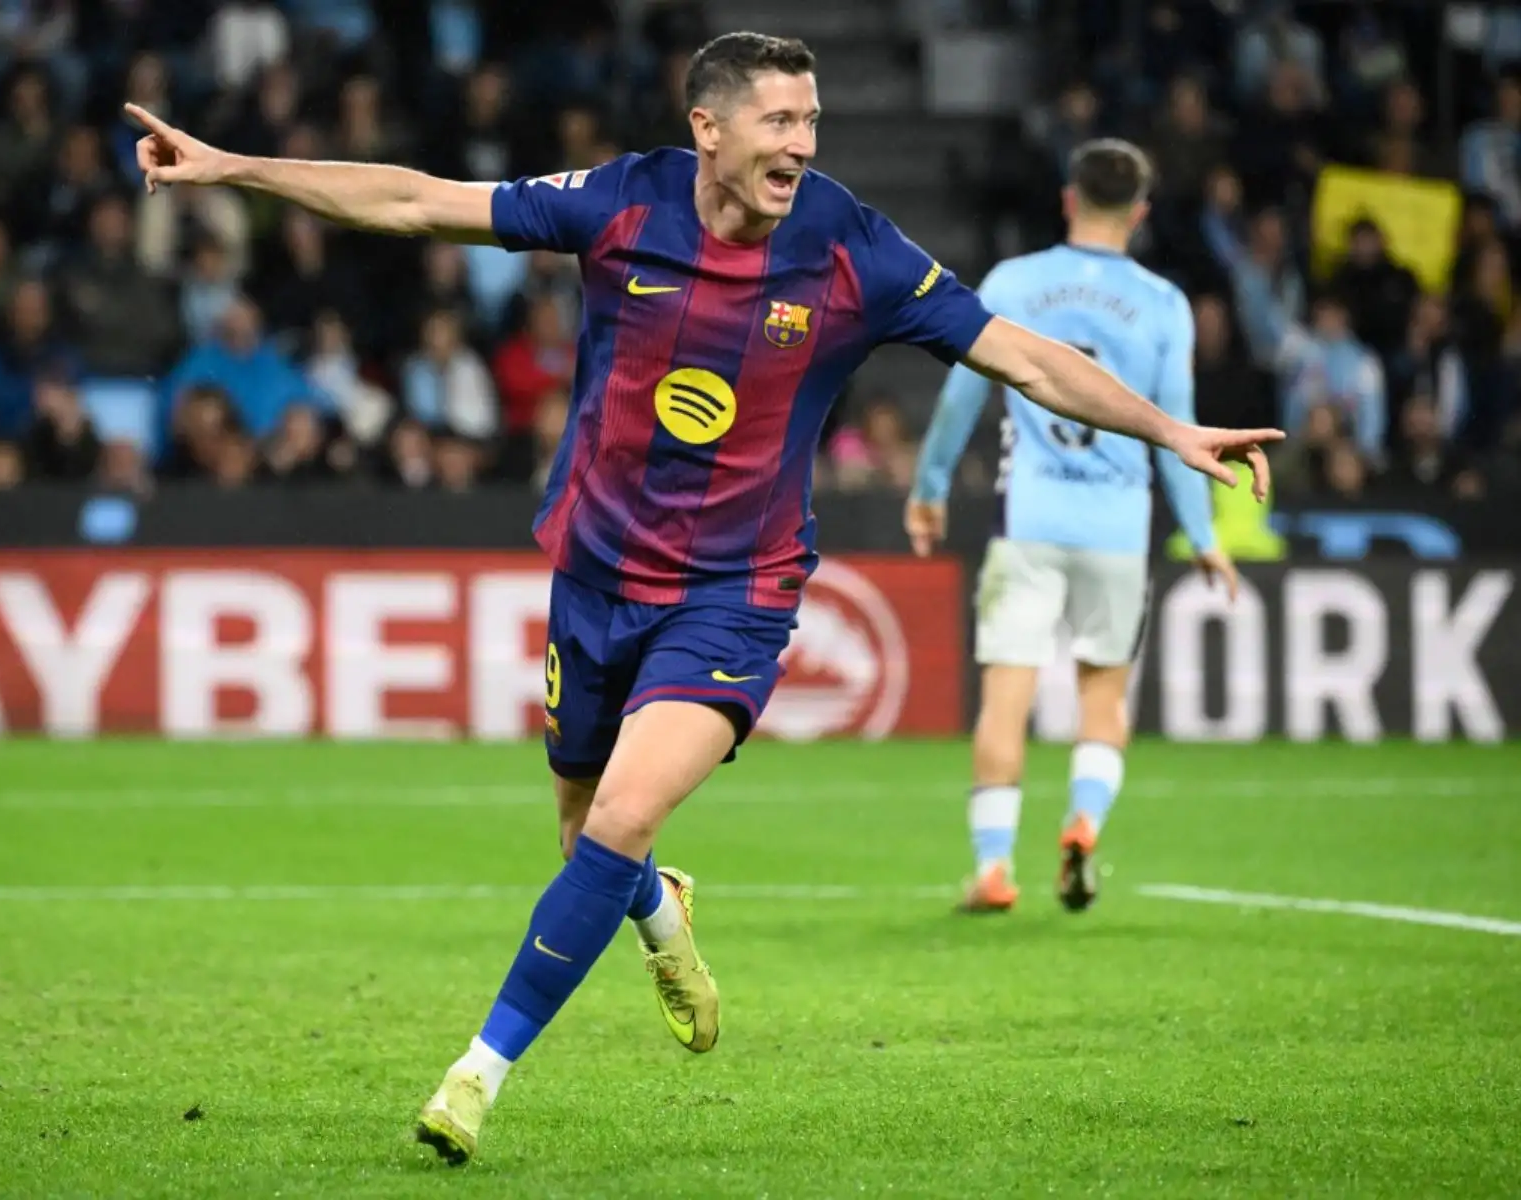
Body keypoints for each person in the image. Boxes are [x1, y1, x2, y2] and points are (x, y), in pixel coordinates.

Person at [124, 35, 1280, 1165]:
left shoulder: (851, 249)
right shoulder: (623, 203)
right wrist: (232, 167)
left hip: (736, 592)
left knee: (619, 820)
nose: (802, 144)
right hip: (594, 578)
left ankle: (475, 1075)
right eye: (780, 121)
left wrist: (1173, 431)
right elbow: (419, 200)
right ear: (708, 128)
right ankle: (657, 910)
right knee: (587, 836)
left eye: (812, 121)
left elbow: (1022, 356)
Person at [907, 139, 1241, 916]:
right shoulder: (1163, 303)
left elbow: (962, 396)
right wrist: (1203, 535)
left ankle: (994, 869)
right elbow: (1177, 427)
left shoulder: (1015, 282)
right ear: (1141, 213)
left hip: (1029, 518)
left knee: (1004, 700)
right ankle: (1084, 821)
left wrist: (929, 487)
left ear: (1068, 199)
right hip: (1119, 529)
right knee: (1104, 701)